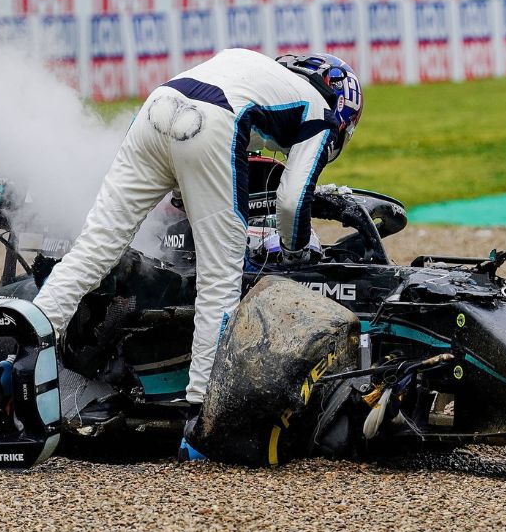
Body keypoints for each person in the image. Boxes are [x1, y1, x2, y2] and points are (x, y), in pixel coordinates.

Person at [31, 48, 363, 450]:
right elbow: (292, 201)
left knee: (94, 249)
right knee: (219, 279)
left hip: (157, 106)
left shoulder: (250, 66)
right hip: (214, 123)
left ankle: (27, 353)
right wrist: (295, 250)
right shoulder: (320, 112)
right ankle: (200, 418)